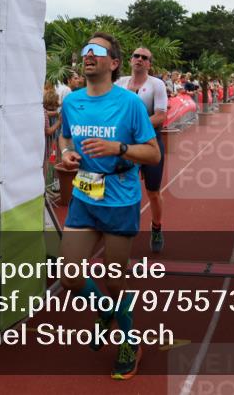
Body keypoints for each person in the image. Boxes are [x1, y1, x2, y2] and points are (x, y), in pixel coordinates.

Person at [57, 33, 159, 381]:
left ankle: (130, 341)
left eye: (96, 51)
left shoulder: (129, 104)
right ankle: (106, 311)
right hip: (85, 196)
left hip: (119, 198)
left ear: (113, 63)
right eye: (84, 50)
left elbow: (153, 152)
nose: (88, 55)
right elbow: (66, 136)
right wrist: (65, 153)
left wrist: (119, 148)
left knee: (115, 281)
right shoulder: (71, 101)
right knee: (68, 275)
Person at [115, 47, 168, 253]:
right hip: (126, 146)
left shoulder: (157, 84)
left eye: (144, 58)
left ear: (149, 64)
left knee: (153, 192)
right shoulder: (119, 83)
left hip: (150, 144)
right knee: (122, 187)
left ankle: (156, 227)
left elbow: (160, 116)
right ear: (130, 60)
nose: (139, 59)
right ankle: (119, 229)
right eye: (136, 56)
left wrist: (135, 126)